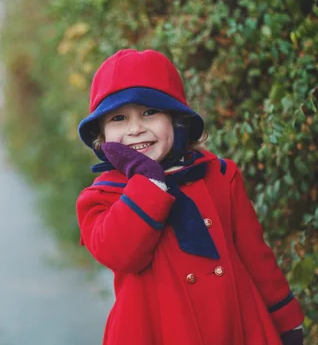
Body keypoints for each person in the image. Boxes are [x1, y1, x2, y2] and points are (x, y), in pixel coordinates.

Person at [76, 49, 305, 345]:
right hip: (157, 332)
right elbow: (121, 253)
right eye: (119, 118)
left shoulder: (219, 175)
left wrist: (285, 320)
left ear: (177, 120)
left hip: (237, 326)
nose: (135, 128)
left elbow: (256, 256)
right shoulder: (102, 197)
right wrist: (147, 181)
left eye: (150, 112)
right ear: (102, 136)